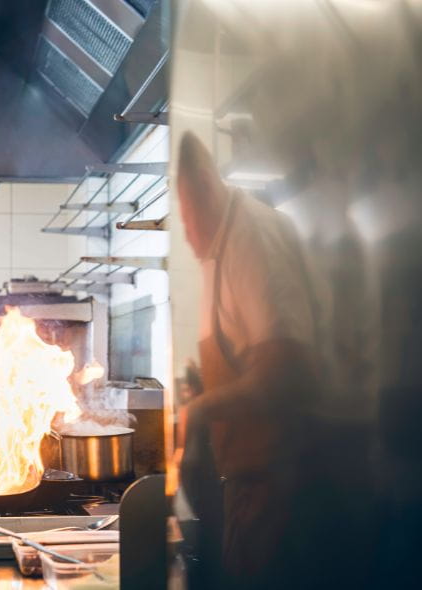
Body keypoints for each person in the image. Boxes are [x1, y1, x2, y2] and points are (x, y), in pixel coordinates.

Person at [176, 131, 327, 589]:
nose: (186, 232)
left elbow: (285, 370)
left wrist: (199, 409)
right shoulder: (223, 244)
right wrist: (201, 388)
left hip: (280, 486)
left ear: (206, 185)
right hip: (248, 480)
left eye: (185, 215)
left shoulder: (251, 236)